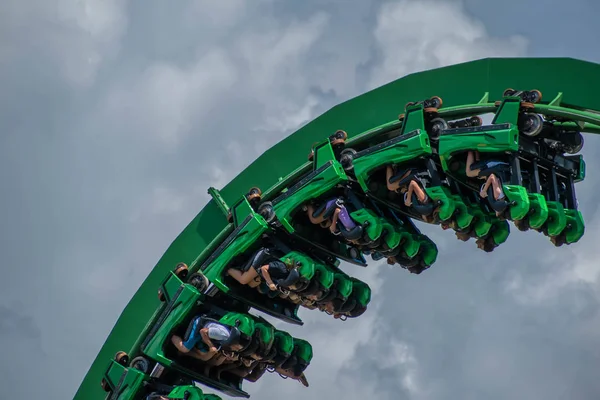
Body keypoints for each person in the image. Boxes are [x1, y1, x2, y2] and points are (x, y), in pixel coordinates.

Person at [226, 248, 301, 292]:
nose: (289, 288)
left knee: (252, 284)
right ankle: (227, 268)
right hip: (262, 259)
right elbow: (264, 268)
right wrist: (270, 282)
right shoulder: (282, 269)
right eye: (291, 287)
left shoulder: (283, 275)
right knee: (243, 280)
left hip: (262, 264)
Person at [465, 151, 510, 216]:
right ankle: (470, 150)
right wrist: (484, 190)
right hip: (495, 164)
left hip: (500, 166)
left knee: (478, 173)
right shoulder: (497, 195)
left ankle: (475, 150)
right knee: (469, 172)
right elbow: (492, 177)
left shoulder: (505, 195)